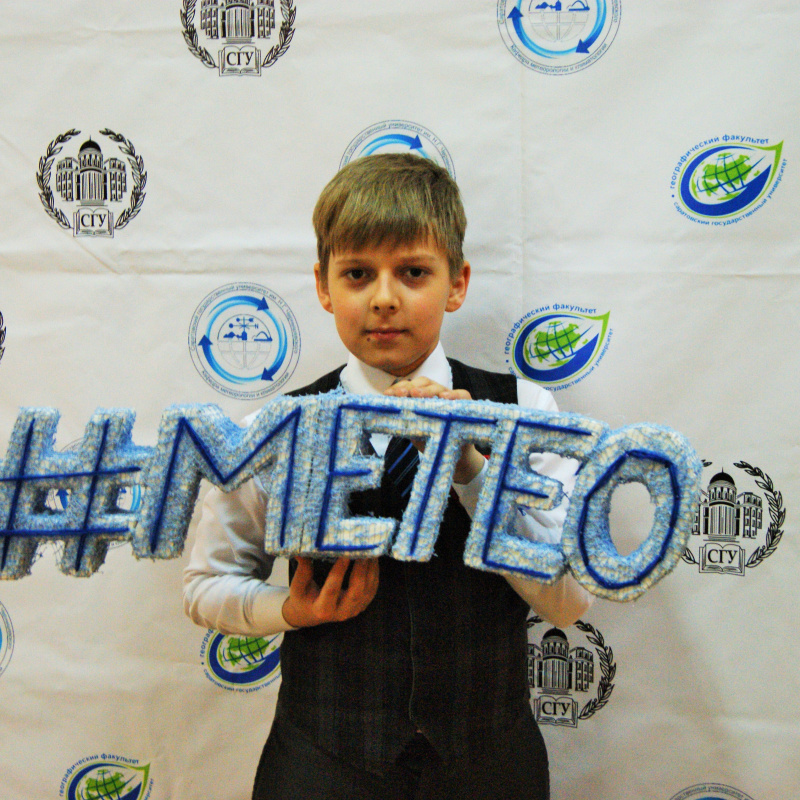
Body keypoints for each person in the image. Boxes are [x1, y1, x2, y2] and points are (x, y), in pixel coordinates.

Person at [183, 153, 594, 799]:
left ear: (456, 283)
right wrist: (289, 609)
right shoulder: (274, 429)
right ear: (324, 287)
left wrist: (470, 466)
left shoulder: (526, 412)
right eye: (357, 273)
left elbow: (568, 602)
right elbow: (206, 584)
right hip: (322, 763)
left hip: (490, 764)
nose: (383, 298)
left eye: (412, 272)